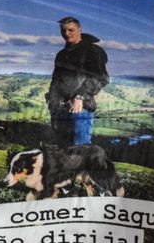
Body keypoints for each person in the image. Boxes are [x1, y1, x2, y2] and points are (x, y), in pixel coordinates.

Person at [45, 16, 109, 147]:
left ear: (80, 30)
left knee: (80, 149)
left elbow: (101, 77)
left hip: (81, 108)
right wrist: (52, 100)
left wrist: (80, 97)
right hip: (60, 110)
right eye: (63, 30)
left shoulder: (93, 51)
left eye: (71, 30)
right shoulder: (61, 54)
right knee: (62, 149)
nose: (66, 34)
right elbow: (56, 80)